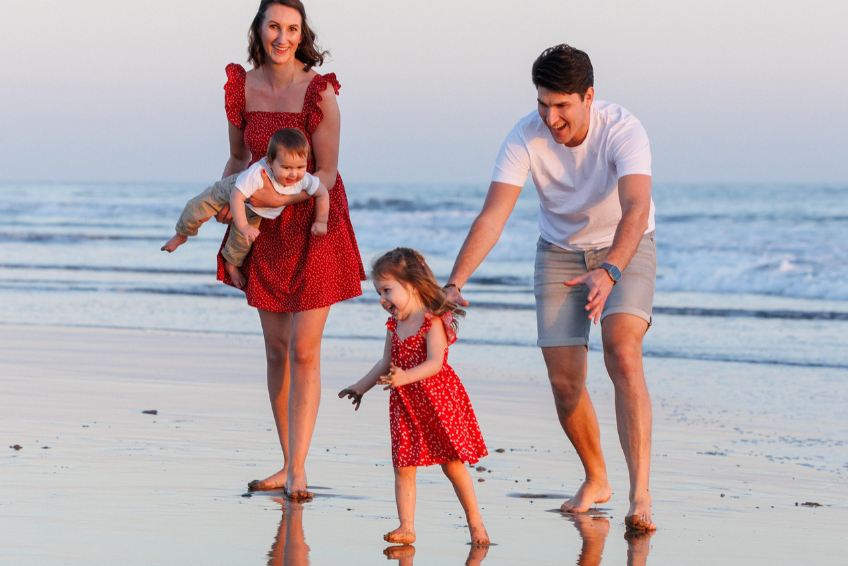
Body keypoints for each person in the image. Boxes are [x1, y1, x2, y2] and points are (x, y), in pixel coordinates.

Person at [445, 44, 658, 531]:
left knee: (622, 351)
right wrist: (456, 281)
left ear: (588, 96)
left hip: (625, 245)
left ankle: (639, 492)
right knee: (565, 384)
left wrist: (610, 271)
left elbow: (636, 209)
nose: (551, 116)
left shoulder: (623, 130)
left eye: (562, 105)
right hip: (559, 251)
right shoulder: (525, 136)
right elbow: (493, 215)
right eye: (543, 103)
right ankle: (596, 476)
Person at [216, 0, 365, 500]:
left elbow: (326, 170)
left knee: (304, 349)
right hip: (264, 229)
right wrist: (224, 205)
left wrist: (280, 195)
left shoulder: (319, 91)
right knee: (276, 350)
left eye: (293, 29)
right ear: (259, 28)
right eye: (274, 26)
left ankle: (299, 469)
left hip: (314, 225)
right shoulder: (242, 86)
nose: (283, 37)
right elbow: (240, 157)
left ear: (304, 34)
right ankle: (286, 461)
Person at [338, 248, 490, 546]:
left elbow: (436, 362)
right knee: (403, 465)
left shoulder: (431, 321)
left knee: (452, 464)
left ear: (412, 285)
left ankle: (476, 524)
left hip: (438, 402)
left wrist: (406, 376)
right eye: (379, 292)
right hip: (405, 405)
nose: (382, 299)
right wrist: (360, 388)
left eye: (387, 290)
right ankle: (406, 526)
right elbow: (385, 363)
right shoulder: (394, 326)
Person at [161, 128, 329, 289]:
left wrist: (322, 221)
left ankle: (231, 265)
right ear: (270, 163)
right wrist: (242, 226)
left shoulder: (304, 179)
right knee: (199, 207)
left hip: (256, 210)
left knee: (242, 243)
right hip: (234, 190)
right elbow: (237, 197)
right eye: (286, 168)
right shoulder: (257, 174)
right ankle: (181, 234)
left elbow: (322, 193)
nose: (294, 174)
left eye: (300, 167)